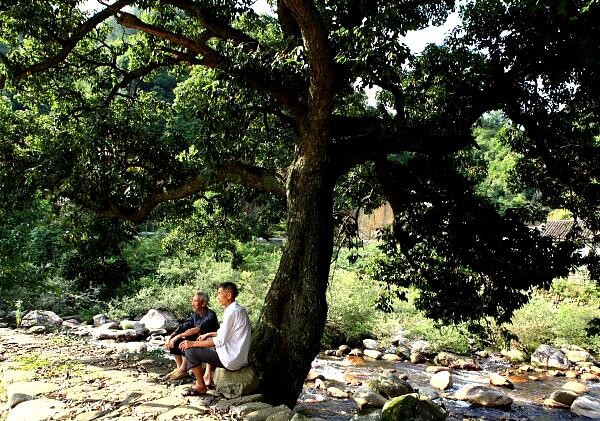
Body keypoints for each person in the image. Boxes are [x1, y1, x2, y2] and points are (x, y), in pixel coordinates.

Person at [179, 282, 251, 396]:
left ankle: (201, 386)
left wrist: (192, 343)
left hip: (231, 359)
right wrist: (208, 334)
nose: (217, 296)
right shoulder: (238, 309)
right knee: (204, 343)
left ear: (229, 295)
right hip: (239, 357)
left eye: (220, 293)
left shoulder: (231, 312)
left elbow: (220, 341)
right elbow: (225, 333)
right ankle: (207, 376)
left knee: (190, 351)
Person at [164, 292, 219, 381]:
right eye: (192, 301)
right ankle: (179, 368)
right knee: (175, 341)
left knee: (188, 337)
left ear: (203, 303)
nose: (192, 303)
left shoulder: (210, 315)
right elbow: (183, 326)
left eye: (195, 301)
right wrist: (171, 337)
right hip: (199, 342)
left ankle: (184, 369)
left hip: (210, 345)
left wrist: (178, 336)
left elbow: (197, 329)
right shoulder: (195, 316)